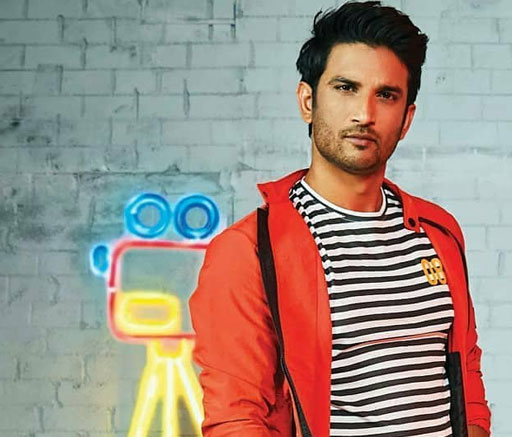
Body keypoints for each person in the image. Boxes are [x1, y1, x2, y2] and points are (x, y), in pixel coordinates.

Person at [188, 2, 491, 436]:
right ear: (307, 101)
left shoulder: (438, 232)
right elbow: (237, 418)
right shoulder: (249, 251)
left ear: (406, 118)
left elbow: (466, 378)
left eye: (386, 95)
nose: (364, 114)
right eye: (346, 88)